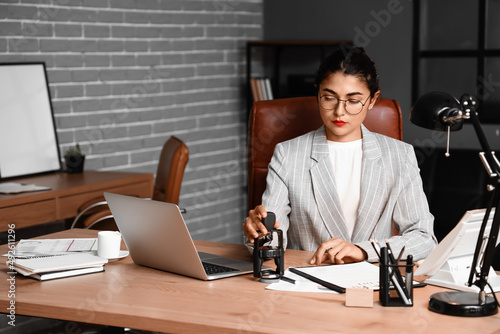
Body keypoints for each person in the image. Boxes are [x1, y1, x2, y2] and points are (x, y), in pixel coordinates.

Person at [242, 46, 437, 266]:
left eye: (353, 101)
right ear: (318, 94)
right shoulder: (288, 154)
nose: (339, 111)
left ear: (372, 100)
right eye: (329, 98)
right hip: (306, 280)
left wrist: (363, 251)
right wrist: (259, 234)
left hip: (369, 284)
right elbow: (270, 242)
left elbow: (424, 238)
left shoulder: (399, 155)